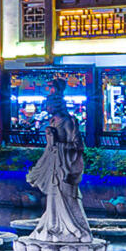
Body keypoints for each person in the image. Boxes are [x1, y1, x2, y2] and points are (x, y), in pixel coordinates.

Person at [26, 90, 95, 243]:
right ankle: (53, 225)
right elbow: (50, 147)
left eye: (49, 104)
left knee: (67, 196)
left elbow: (78, 145)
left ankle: (74, 228)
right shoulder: (52, 122)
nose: (46, 107)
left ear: (56, 105)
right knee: (53, 197)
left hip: (65, 166)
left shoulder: (68, 121)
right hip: (54, 165)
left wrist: (57, 142)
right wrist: (51, 142)